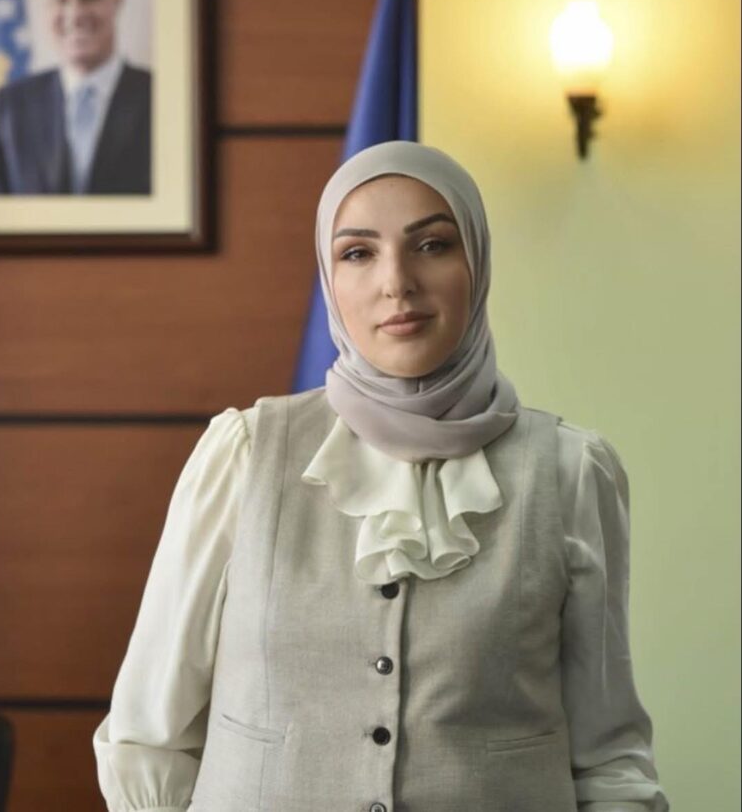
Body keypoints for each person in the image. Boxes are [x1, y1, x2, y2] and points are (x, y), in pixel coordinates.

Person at [93, 141, 669, 811]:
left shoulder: (571, 472)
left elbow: (608, 759)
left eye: (432, 245)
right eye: (358, 253)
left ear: (477, 262)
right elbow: (149, 736)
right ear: (328, 277)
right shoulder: (243, 455)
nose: (397, 282)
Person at [0, 0, 151, 195]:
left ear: (117, 1)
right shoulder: (11, 106)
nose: (75, 14)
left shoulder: (162, 98)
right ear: (46, 8)